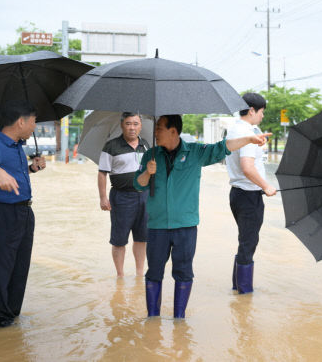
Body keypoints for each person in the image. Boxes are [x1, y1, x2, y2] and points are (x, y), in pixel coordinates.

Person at [134, 114, 270, 319]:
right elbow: (138, 185)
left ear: (173, 131)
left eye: (159, 128)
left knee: (184, 273)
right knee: (153, 273)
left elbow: (222, 147)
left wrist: (249, 139)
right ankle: (152, 320)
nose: (155, 132)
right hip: (157, 225)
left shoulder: (195, 152)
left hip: (185, 226)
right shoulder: (150, 155)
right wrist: (147, 173)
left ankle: (179, 320)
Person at [0, 100, 46, 328]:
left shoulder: (18, 145)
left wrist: (32, 168)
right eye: (34, 121)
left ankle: (12, 317)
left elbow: (15, 175)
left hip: (24, 213)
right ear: (21, 121)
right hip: (2, 214)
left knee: (20, 269)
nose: (35, 126)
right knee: (1, 269)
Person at [225, 93, 277, 294]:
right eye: (262, 112)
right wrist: (266, 186)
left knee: (245, 240)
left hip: (238, 194)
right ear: (252, 110)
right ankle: (244, 293)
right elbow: (247, 167)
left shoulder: (237, 129)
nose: (263, 116)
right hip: (248, 196)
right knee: (248, 243)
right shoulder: (246, 133)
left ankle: (237, 287)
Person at [98, 112, 150, 277]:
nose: (132, 127)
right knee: (119, 239)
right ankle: (120, 275)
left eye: (135, 124)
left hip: (145, 196)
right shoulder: (111, 146)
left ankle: (140, 274)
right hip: (122, 197)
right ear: (122, 125)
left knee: (142, 237)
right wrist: (103, 198)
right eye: (128, 123)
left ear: (140, 125)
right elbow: (102, 174)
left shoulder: (147, 145)